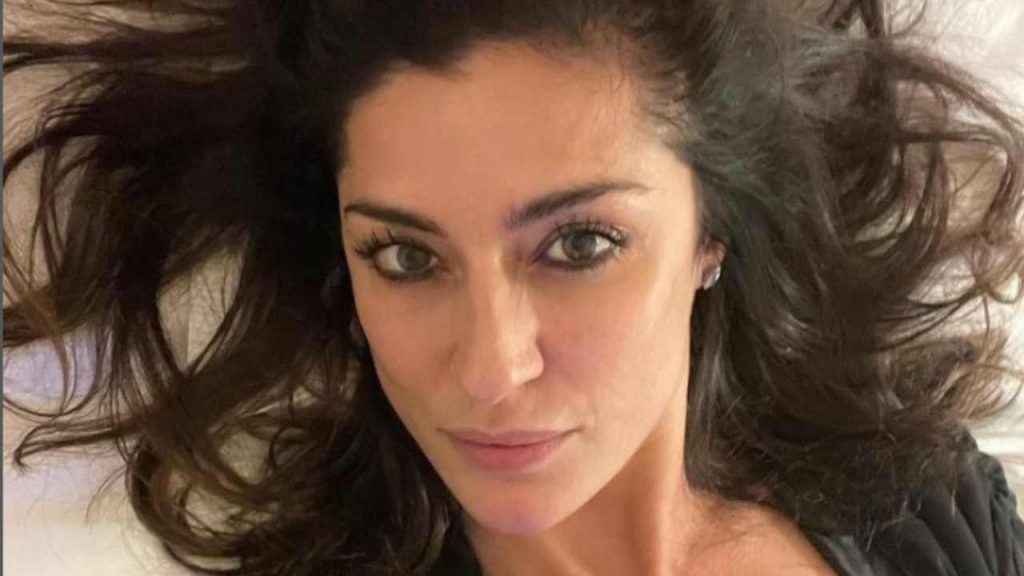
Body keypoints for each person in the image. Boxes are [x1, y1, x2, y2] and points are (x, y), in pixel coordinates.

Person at [4, 0, 1024, 574]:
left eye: (579, 245)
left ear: (712, 233)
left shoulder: (922, 495)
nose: (490, 369)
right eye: (406, 258)